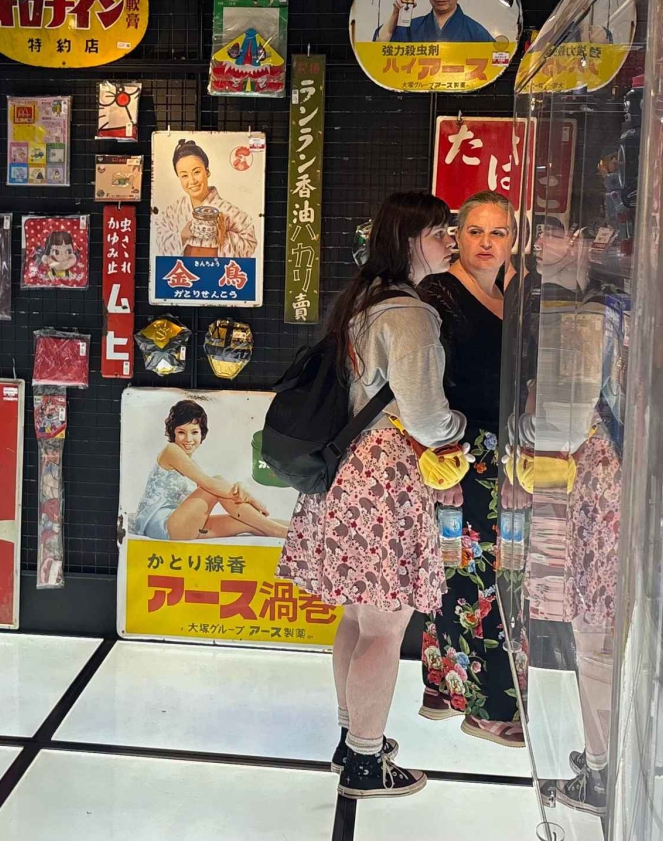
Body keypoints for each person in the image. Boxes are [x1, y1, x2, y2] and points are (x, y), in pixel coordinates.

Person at [278, 190, 465, 799]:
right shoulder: (409, 314)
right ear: (412, 241)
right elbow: (428, 418)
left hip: (345, 473)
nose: (452, 242)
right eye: (440, 232)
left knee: (359, 617)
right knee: (385, 625)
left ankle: (350, 737)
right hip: (386, 479)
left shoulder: (363, 300)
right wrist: (460, 429)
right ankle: (365, 760)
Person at [416, 190, 523, 746]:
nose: (486, 243)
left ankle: (445, 687)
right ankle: (488, 708)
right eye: (475, 231)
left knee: (478, 574)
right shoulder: (437, 293)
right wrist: (443, 460)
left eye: (498, 232)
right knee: (475, 578)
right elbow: (423, 386)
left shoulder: (510, 293)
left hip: (505, 455)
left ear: (513, 240)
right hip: (458, 454)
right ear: (456, 236)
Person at [130, 399, 288, 541]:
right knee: (216, 481)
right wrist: (249, 498)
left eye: (194, 432)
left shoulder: (192, 465)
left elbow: (215, 490)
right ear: (173, 433)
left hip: (185, 525)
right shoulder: (170, 451)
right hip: (164, 526)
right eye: (181, 432)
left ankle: (294, 530)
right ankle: (276, 530)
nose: (188, 439)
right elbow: (210, 485)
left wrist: (240, 489)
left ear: (202, 433)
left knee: (248, 523)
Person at [153, 138, 258, 258]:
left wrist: (224, 238)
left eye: (196, 172)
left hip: (215, 268)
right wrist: (182, 236)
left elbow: (250, 242)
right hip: (184, 268)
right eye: (184, 175)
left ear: (207, 172)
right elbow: (158, 236)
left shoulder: (227, 211)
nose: (192, 181)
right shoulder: (174, 210)